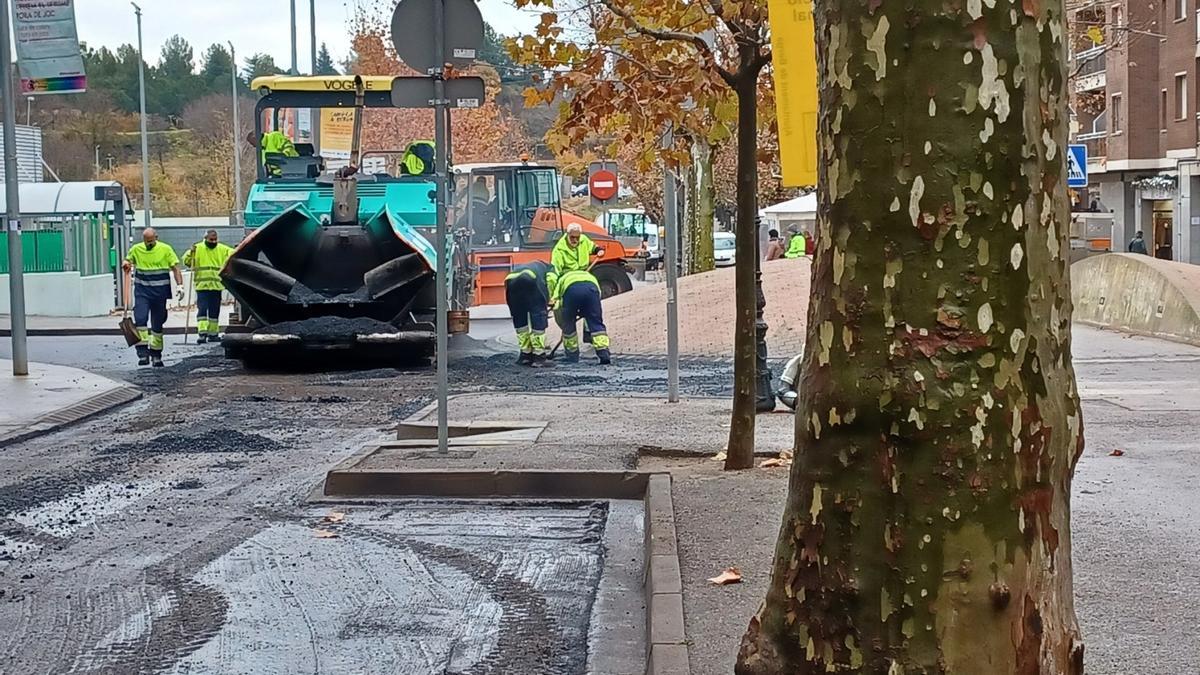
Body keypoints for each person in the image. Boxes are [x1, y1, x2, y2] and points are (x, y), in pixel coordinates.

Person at [122, 228, 184, 367]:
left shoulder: (165, 249)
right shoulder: (137, 249)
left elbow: (175, 268)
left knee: (157, 324)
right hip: (142, 291)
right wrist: (126, 263)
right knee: (141, 320)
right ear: (143, 239)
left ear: (156, 237)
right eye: (146, 241)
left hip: (160, 293)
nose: (149, 244)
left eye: (151, 241)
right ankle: (143, 353)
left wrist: (180, 285)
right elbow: (128, 260)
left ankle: (156, 355)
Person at [550, 265, 611, 365]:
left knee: (569, 325)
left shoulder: (563, 279)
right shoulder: (589, 276)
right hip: (592, 291)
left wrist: (566, 318)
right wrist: (587, 313)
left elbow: (556, 301)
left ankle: (572, 355)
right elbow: (597, 295)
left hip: (572, 292)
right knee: (596, 323)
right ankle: (604, 353)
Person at [183, 230, 234, 344]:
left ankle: (213, 334)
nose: (214, 241)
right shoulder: (197, 248)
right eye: (211, 239)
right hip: (202, 286)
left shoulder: (223, 249)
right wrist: (190, 253)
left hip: (216, 286)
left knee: (214, 311)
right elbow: (186, 261)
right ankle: (202, 333)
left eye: (215, 239)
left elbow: (233, 254)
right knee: (202, 309)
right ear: (205, 238)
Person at [505, 260, 552, 366]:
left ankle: (525, 355)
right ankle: (539, 357)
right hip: (530, 281)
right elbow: (550, 283)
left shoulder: (532, 265)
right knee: (538, 319)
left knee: (520, 320)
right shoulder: (550, 269)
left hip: (510, 281)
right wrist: (549, 300)